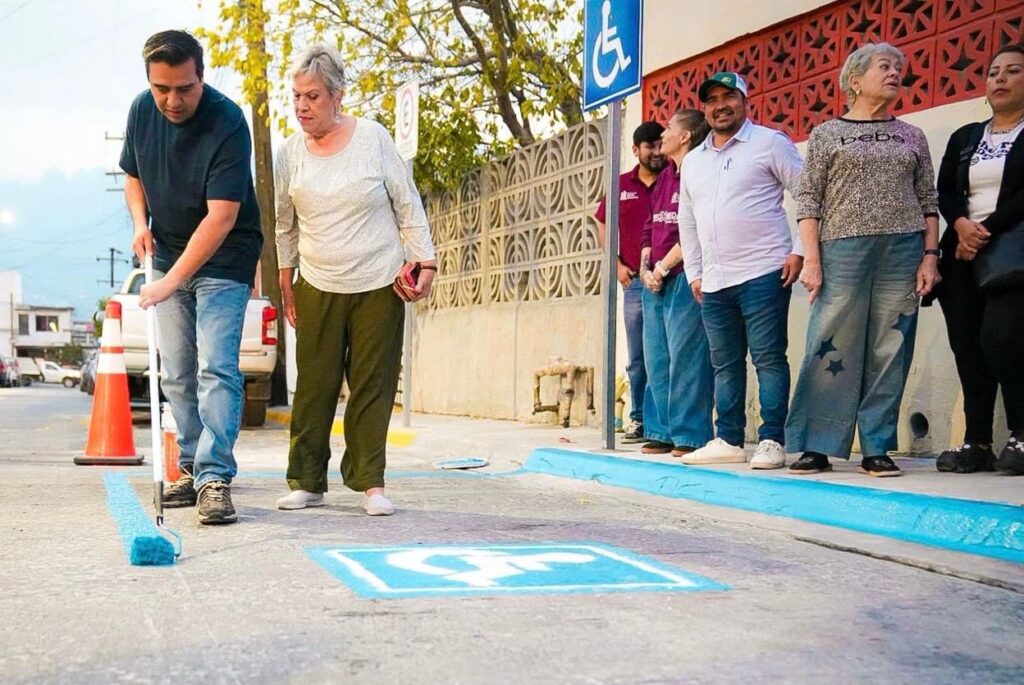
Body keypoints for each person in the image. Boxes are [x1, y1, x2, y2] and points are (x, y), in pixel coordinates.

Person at [274, 46, 436, 515]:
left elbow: (407, 203)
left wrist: (425, 262)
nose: (302, 106)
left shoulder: (372, 138)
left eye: (313, 96)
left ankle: (371, 484)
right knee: (314, 386)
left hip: (378, 283)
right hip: (317, 281)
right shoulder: (289, 153)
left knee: (372, 384)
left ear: (337, 95)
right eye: (297, 96)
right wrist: (286, 277)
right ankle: (307, 481)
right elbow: (284, 223)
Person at [121, 30, 263, 525]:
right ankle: (190, 466)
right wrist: (139, 224)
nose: (172, 101)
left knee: (215, 368)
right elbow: (133, 175)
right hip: (168, 249)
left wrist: (169, 281)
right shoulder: (142, 111)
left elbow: (222, 217)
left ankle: (214, 477)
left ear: (201, 77)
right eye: (161, 88)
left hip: (225, 255)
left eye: (184, 88)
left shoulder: (227, 121)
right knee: (177, 371)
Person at [786, 42, 941, 478]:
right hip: (842, 249)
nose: (894, 73)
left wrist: (930, 256)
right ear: (854, 81)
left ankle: (876, 446)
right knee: (830, 343)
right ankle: (817, 443)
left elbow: (928, 201)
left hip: (902, 249)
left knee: (890, 347)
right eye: (883, 66)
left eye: (898, 68)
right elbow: (809, 201)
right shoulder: (827, 134)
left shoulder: (912, 135)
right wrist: (812, 259)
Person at [678, 72, 804, 469]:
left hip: (764, 271)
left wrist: (800, 250)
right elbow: (687, 219)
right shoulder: (693, 161)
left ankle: (772, 440)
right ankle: (729, 439)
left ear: (745, 101)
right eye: (712, 99)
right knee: (725, 365)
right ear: (705, 109)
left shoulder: (770, 143)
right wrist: (695, 272)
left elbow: (809, 194)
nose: (720, 105)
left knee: (768, 358)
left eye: (728, 96)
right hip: (714, 281)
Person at [932, 43, 1024, 475]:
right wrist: (961, 225)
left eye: (1013, 70)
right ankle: (978, 441)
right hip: (961, 254)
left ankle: (1021, 435)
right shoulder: (966, 136)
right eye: (993, 72)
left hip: (1013, 252)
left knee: (1003, 340)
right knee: (968, 348)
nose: (1000, 78)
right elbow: (945, 190)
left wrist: (984, 229)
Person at [637, 110, 714, 456]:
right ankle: (660, 429)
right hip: (655, 280)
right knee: (657, 357)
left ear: (684, 136)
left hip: (683, 276)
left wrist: (663, 268)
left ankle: (689, 434)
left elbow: (695, 231)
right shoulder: (666, 175)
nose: (662, 135)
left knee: (687, 357)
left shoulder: (700, 172)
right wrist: (645, 268)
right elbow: (650, 226)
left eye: (669, 128)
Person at [595, 121, 665, 446]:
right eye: (650, 146)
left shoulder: (673, 179)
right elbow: (602, 223)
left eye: (660, 144)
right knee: (638, 356)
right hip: (635, 283)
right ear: (636, 150)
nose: (657, 151)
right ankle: (638, 418)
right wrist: (616, 266)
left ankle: (663, 422)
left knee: (664, 355)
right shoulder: (620, 185)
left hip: (670, 279)